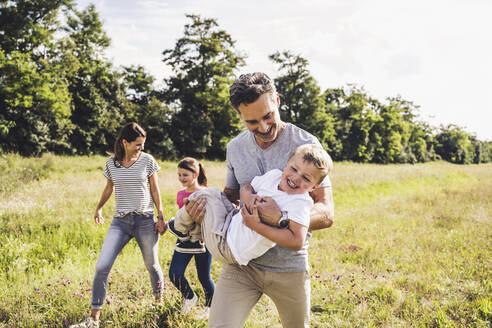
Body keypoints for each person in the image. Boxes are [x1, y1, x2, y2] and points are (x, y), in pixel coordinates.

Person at [185, 72, 335, 328]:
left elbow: (326, 211)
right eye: (252, 122)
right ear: (240, 116)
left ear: (276, 100)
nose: (264, 128)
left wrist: (282, 219)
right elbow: (232, 197)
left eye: (268, 116)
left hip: (289, 268)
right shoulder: (235, 148)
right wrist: (205, 210)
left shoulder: (307, 144)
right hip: (243, 264)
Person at [168, 144, 332, 268]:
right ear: (286, 163)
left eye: (306, 178)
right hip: (230, 222)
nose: (296, 178)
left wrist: (256, 225)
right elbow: (247, 186)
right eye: (294, 169)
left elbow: (297, 241)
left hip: (230, 247)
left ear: (314, 187)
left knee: (206, 195)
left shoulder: (301, 203)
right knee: (213, 193)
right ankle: (192, 231)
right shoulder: (274, 176)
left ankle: (178, 225)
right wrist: (248, 196)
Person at [70, 122, 168, 328]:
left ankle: (159, 304)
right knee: (102, 267)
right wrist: (98, 208)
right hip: (120, 222)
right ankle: (94, 319)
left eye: (143, 144)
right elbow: (109, 188)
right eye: (137, 145)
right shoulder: (111, 163)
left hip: (145, 220)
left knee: (152, 265)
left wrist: (160, 215)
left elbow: (155, 190)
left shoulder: (148, 161)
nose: (141, 148)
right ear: (125, 142)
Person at [168, 158, 215, 320]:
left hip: (203, 240)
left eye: (185, 175)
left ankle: (210, 307)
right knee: (174, 273)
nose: (181, 178)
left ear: (195, 174)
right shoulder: (180, 194)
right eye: (179, 174)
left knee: (204, 277)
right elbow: (182, 218)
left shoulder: (205, 193)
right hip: (184, 239)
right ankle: (189, 297)